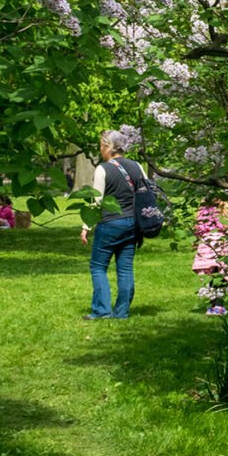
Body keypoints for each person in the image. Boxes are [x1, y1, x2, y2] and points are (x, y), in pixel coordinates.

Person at [80, 130, 148, 320]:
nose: (100, 149)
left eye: (101, 145)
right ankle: (122, 312)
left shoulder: (103, 169)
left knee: (98, 266)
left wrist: (86, 226)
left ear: (107, 146)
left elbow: (96, 201)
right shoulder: (137, 166)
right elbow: (147, 193)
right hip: (133, 224)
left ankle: (102, 311)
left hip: (110, 223)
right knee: (125, 269)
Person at [191, 196, 228, 316]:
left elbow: (196, 226)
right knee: (223, 274)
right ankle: (219, 306)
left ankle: (213, 306)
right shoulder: (223, 202)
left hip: (206, 242)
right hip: (220, 242)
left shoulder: (203, 202)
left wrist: (196, 240)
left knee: (212, 275)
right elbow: (226, 226)